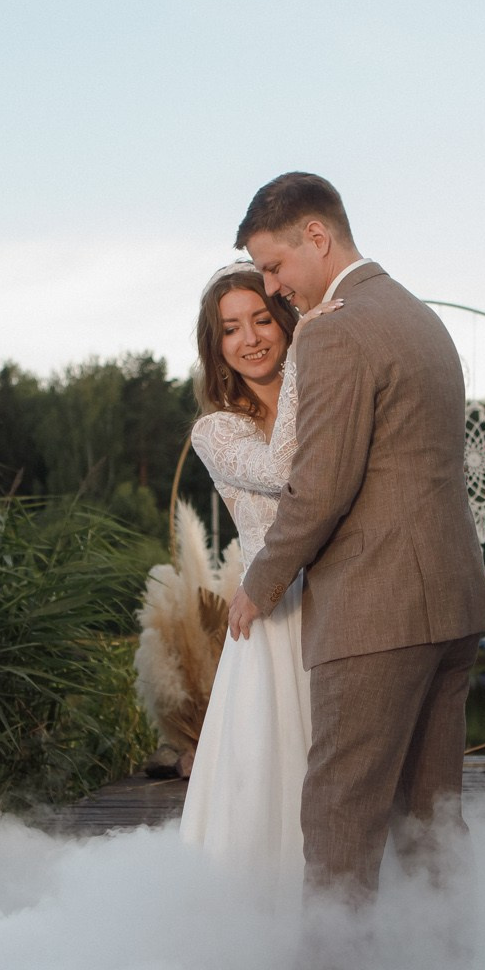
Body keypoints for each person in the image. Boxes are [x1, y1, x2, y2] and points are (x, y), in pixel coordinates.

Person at [226, 172, 485, 915]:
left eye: (274, 266)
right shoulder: (416, 314)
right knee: (432, 823)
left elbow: (322, 487)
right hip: (451, 604)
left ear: (317, 236)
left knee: (340, 818)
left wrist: (260, 582)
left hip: (378, 610)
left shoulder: (335, 330)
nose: (272, 287)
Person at [181, 262, 313, 902]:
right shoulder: (215, 429)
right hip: (271, 614)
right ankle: (259, 913)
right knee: (268, 767)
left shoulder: (322, 400)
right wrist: (307, 353)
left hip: (341, 603)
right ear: (217, 347)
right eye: (231, 328)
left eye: (263, 319)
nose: (251, 338)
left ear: (283, 321)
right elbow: (284, 468)